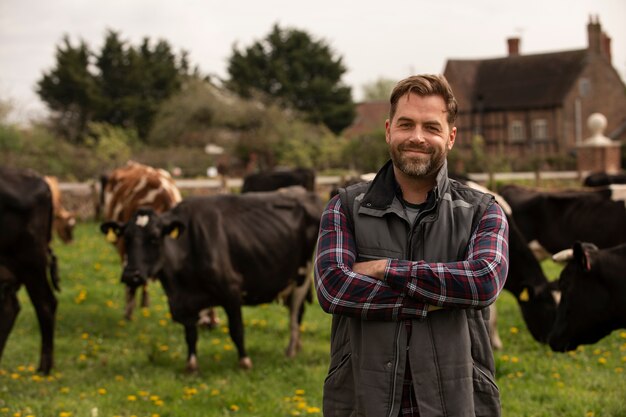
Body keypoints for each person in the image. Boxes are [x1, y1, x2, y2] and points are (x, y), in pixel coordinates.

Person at [314, 74, 509, 417]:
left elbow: (482, 282)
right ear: (389, 130)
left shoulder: (482, 211)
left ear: (450, 137)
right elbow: (333, 288)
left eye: (431, 127)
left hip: (457, 399)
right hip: (363, 399)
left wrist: (383, 269)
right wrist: (433, 300)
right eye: (406, 125)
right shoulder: (344, 206)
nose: (417, 137)